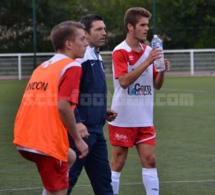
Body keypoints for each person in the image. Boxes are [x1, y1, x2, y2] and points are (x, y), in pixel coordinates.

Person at [13, 21, 89, 195]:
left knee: (69, 157)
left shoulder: (43, 67)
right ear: (69, 44)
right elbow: (63, 107)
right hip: (46, 142)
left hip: (25, 137)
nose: (86, 44)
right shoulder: (72, 66)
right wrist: (78, 139)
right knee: (59, 190)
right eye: (82, 39)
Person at [108, 7, 170, 195]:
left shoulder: (149, 51)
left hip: (144, 118)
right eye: (142, 25)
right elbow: (125, 81)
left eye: (147, 25)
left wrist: (162, 70)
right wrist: (148, 62)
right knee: (118, 163)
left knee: (150, 160)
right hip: (123, 117)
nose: (146, 29)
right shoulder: (120, 51)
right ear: (130, 27)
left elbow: (157, 85)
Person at [67, 14, 117, 195]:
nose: (104, 33)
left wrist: (101, 110)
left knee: (104, 185)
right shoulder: (80, 58)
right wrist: (78, 121)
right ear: (85, 34)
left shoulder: (96, 55)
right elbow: (70, 94)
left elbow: (87, 92)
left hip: (96, 131)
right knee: (65, 183)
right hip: (80, 133)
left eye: (104, 28)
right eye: (99, 29)